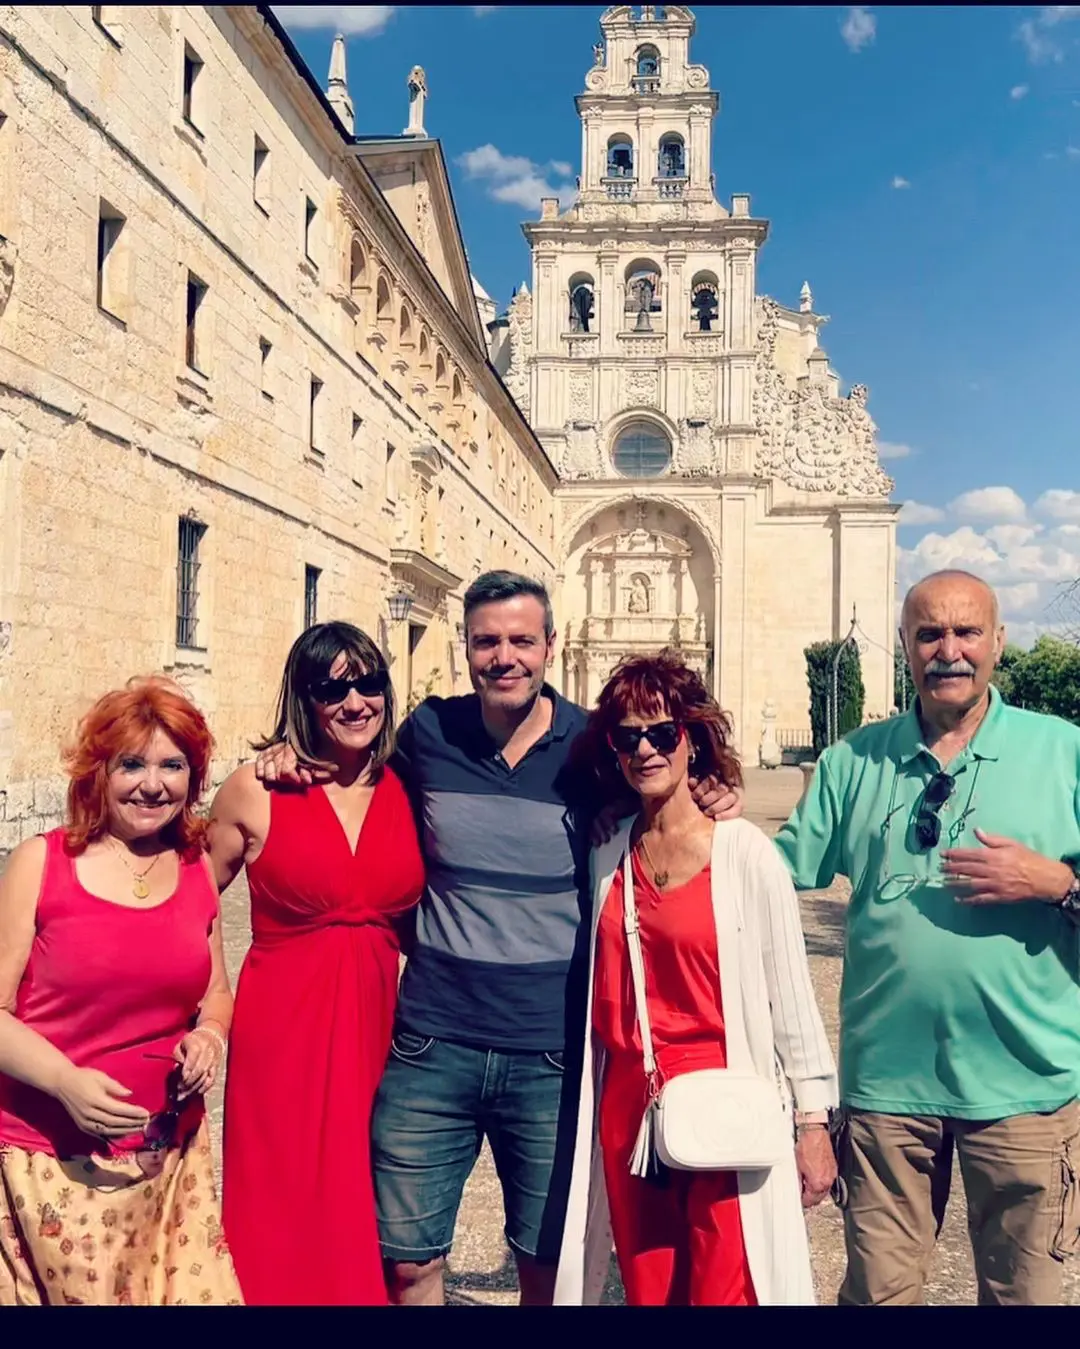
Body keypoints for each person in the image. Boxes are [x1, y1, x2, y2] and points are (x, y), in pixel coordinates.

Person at [255, 570, 742, 1306]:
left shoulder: (594, 746)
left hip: (550, 1050)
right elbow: (351, 765)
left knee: (544, 1264)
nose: (504, 656)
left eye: (521, 640)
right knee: (406, 1261)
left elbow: (660, 784)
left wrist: (708, 787)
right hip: (430, 1043)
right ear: (467, 647)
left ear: (550, 645)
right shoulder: (427, 732)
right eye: (487, 641)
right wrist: (286, 756)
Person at [775, 568, 1080, 1306]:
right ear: (905, 648)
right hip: (887, 1091)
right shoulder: (854, 760)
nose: (949, 649)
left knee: (1028, 1301)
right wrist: (690, 804)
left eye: (966, 630)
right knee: (879, 1298)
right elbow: (772, 874)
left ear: (998, 642)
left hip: (1027, 1091)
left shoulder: (1062, 750)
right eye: (929, 632)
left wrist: (1060, 883)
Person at [553, 651, 837, 1306]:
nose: (645, 749)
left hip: (724, 1097)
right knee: (652, 1288)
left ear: (694, 737)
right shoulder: (606, 852)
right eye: (628, 736)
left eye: (662, 732)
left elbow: (791, 993)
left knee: (727, 1288)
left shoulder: (745, 853)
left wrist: (814, 1122)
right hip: (630, 1110)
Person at [0, 677, 241, 1306]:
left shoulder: (195, 868)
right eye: (131, 764)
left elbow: (215, 990)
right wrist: (63, 1080)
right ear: (97, 773)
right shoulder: (42, 863)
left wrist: (211, 1036)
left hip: (169, 1162)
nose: (153, 784)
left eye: (173, 765)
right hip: (52, 1163)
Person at [209, 622, 424, 1306]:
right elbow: (189, 901)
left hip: (381, 1023)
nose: (355, 700)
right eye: (332, 687)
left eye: (368, 683)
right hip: (284, 1029)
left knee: (372, 1195)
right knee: (285, 1200)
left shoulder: (411, 784)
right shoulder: (256, 788)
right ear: (304, 697)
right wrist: (212, 1009)